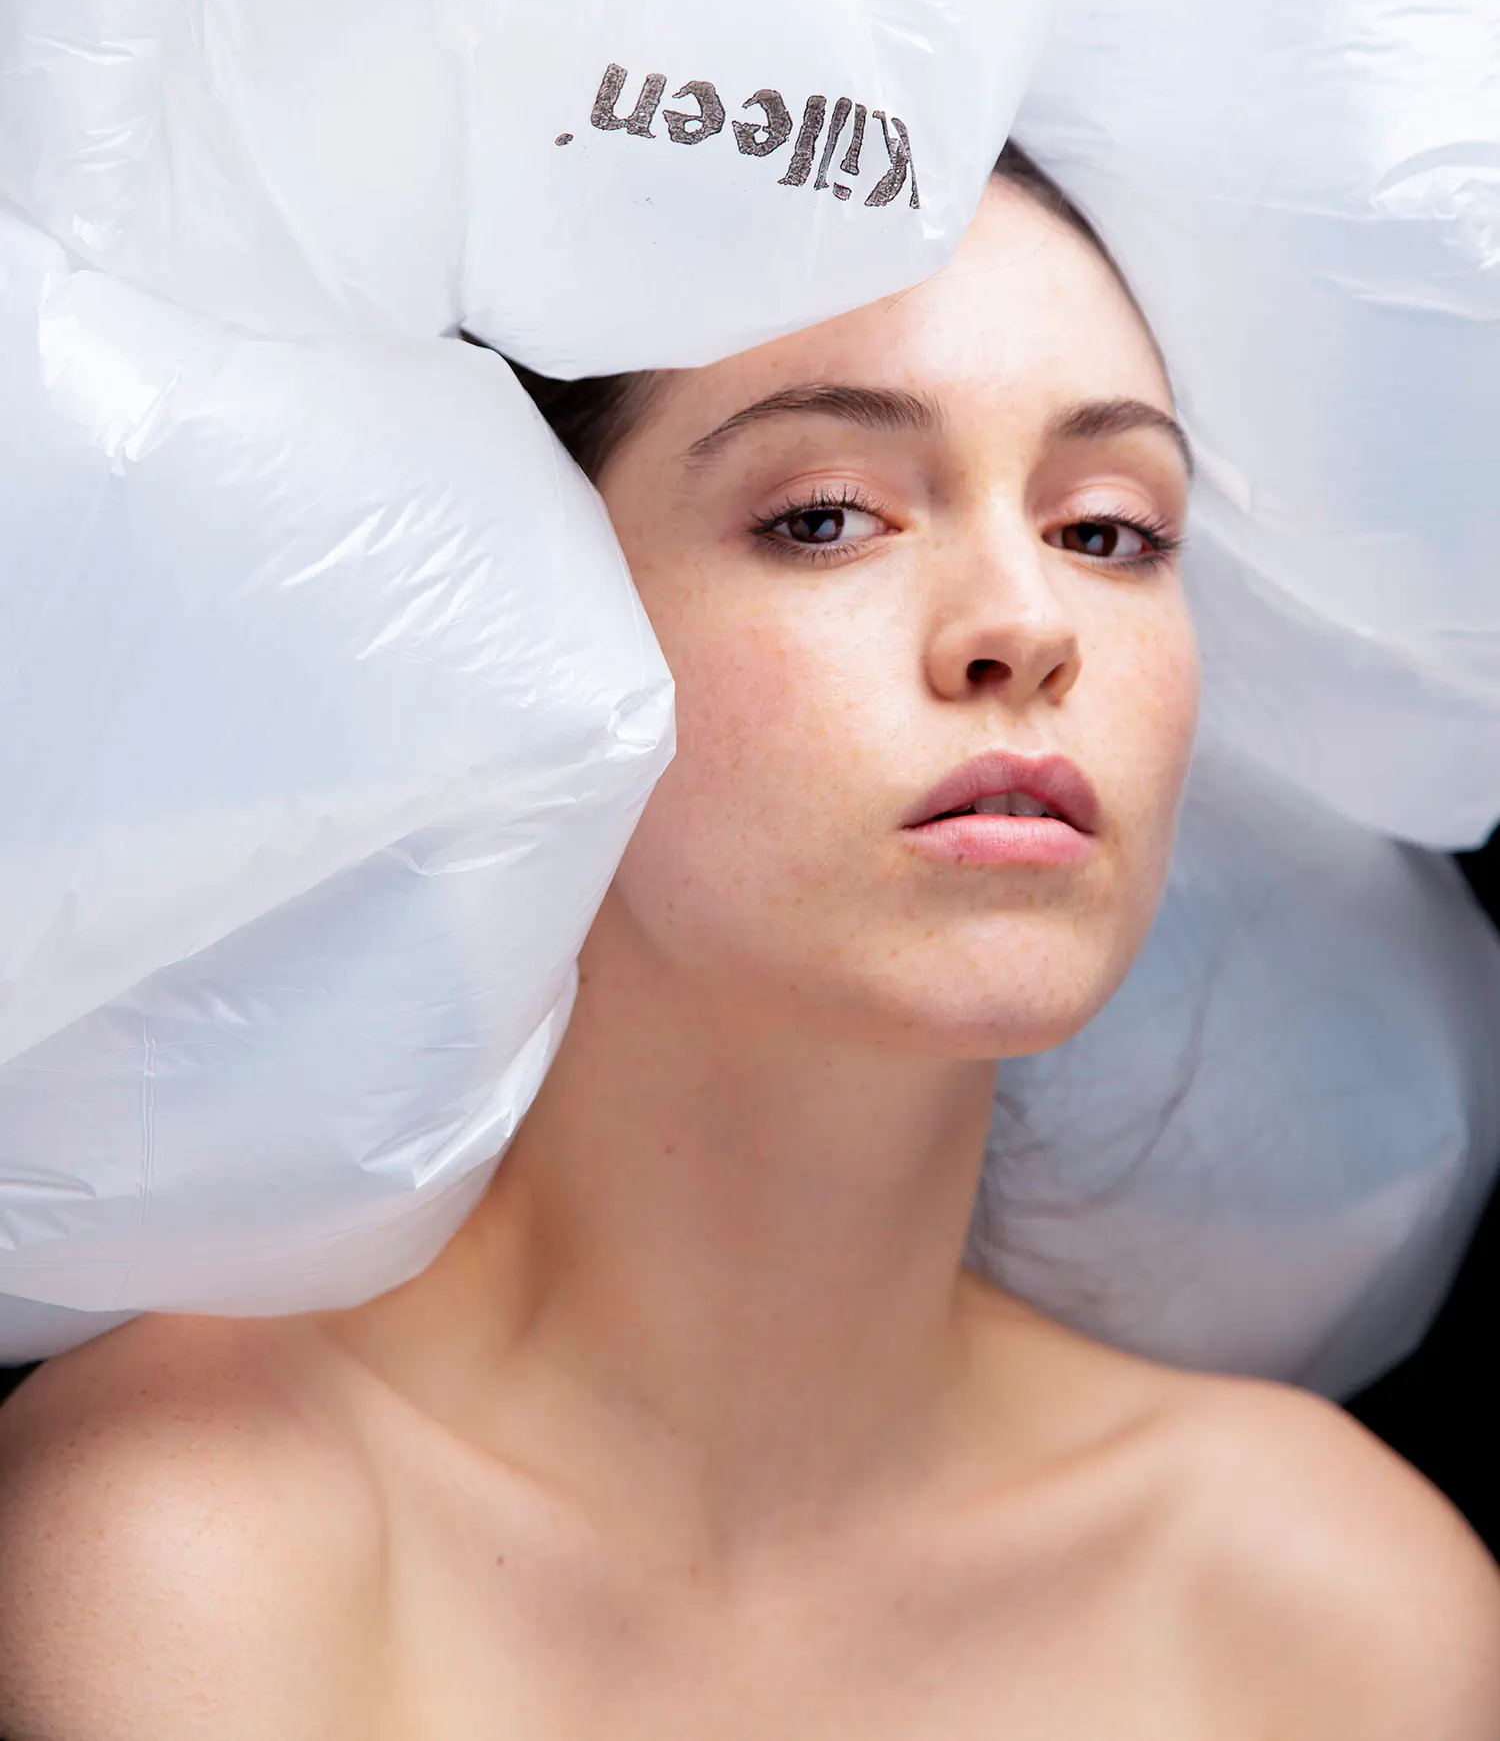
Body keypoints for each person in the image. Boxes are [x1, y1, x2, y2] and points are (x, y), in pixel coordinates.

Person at [0, 151, 1496, 1741]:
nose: (1028, 622)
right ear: (527, 630)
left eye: (1111, 533)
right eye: (828, 515)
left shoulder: (1332, 1612)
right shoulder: (195, 1545)